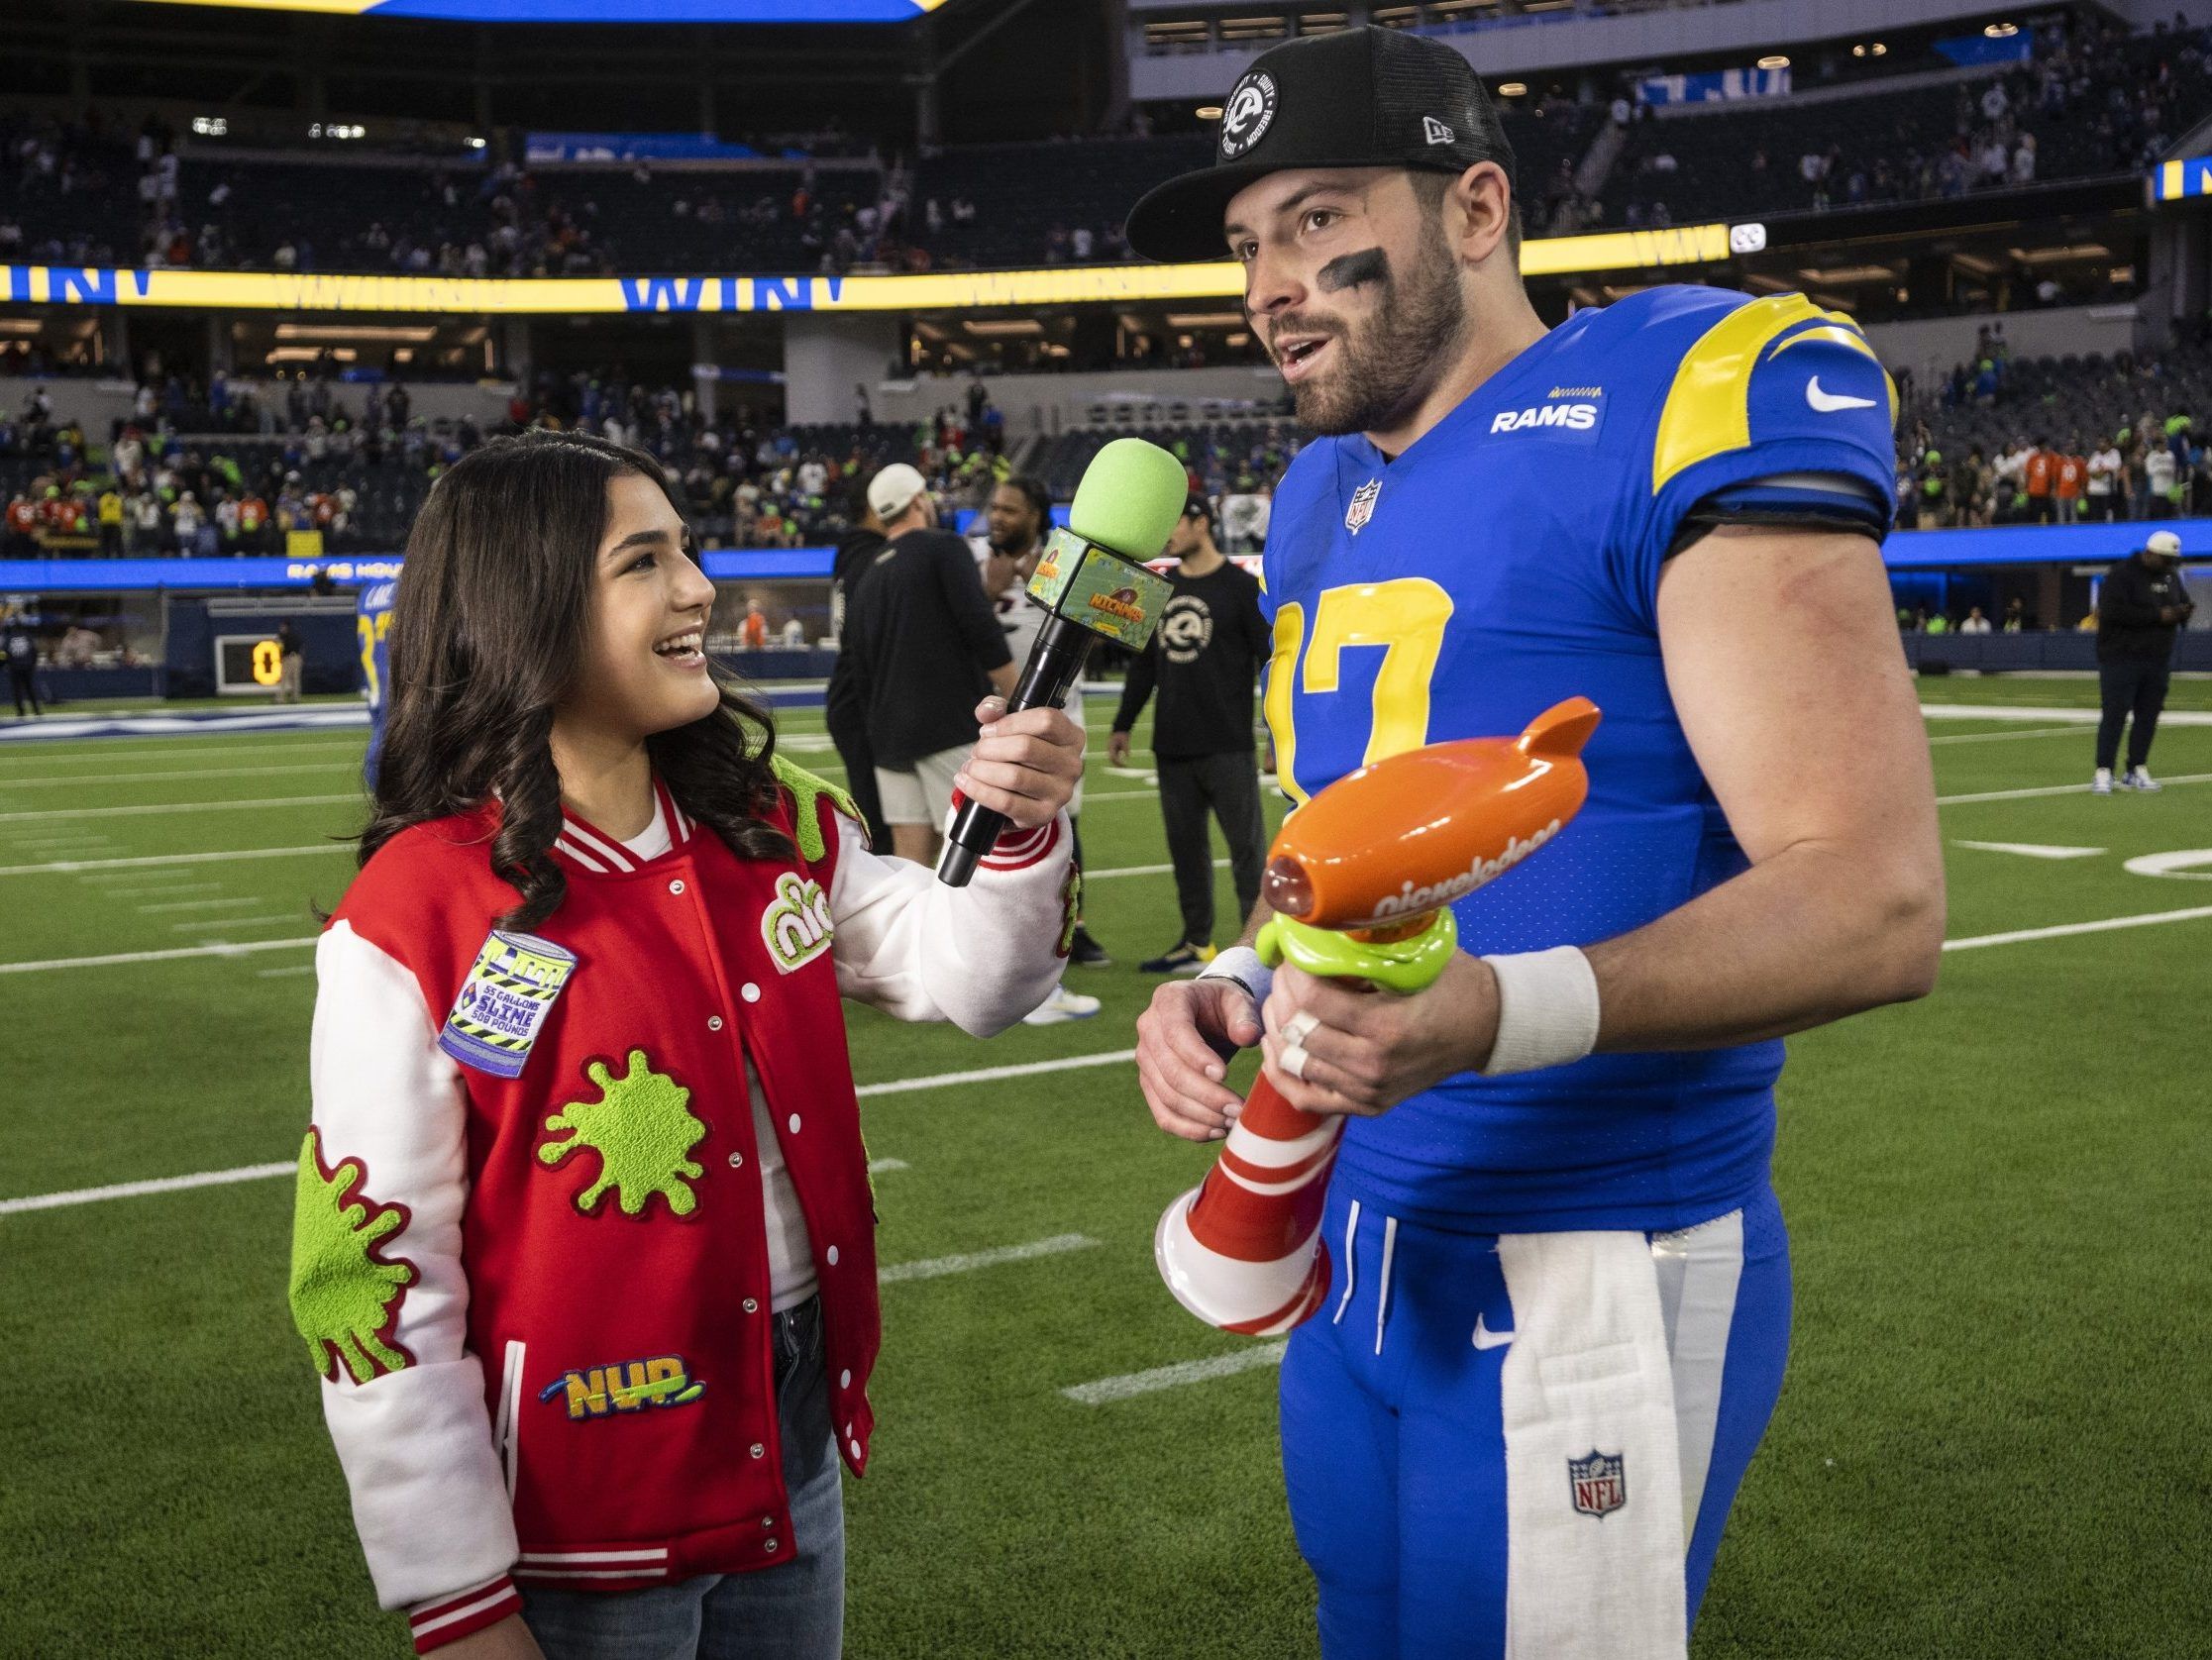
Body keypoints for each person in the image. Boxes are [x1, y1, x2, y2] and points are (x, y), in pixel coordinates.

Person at [1122, 28, 1942, 1659]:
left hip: (1589, 1259)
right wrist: (1229, 971)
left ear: (1476, 207)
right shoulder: (1314, 494)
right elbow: (1353, 839)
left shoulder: (1682, 394)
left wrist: (1491, 1016)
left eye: (1311, 221)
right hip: (1353, 1235)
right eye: (1242, 245)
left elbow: (1872, 903)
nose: (1267, 283)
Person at [288, 431, 1083, 1660]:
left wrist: (1025, 826)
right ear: (526, 606)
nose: (699, 586)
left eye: (689, 549)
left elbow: (972, 976)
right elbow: (374, 1271)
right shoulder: (414, 911)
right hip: (572, 1502)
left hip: (791, 1438)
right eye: (643, 560)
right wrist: (456, 1594)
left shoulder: (769, 820)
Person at [1108, 495, 1272, 974]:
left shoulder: (1242, 589)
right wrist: (1122, 724)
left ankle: (1255, 951)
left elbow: (1269, 665)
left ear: (1202, 523)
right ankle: (1196, 942)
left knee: (1248, 854)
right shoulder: (1159, 589)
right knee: (1186, 851)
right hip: (1173, 743)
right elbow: (1144, 667)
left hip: (1228, 743)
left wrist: (1273, 736)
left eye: (1176, 521)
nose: (1168, 532)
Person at [839, 462, 1016, 866]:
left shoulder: (868, 575)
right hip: (948, 726)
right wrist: (1021, 695)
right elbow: (981, 628)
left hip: (888, 738)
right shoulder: (944, 547)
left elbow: (860, 668)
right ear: (918, 500)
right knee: (977, 854)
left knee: (910, 860)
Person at [973, 473, 1111, 970]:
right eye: (995, 508)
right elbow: (959, 629)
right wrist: (986, 593)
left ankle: (1073, 928)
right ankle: (995, 932)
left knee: (1064, 820)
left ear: (1035, 514)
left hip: (1057, 712)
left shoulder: (1064, 556)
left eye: (1009, 510)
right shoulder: (972, 557)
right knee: (987, 819)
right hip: (987, 713)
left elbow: (1099, 633)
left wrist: (1043, 587)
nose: (998, 517)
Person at [2093, 527, 2194, 793]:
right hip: (2121, 656)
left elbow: (2180, 603)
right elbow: (2113, 612)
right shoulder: (2122, 576)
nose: (2169, 566)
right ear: (2150, 554)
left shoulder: (2171, 576)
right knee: (2114, 715)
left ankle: (2136, 767)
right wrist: (2158, 616)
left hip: (2157, 658)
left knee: (2148, 716)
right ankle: (2104, 770)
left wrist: (2182, 612)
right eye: (2165, 559)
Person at [825, 484, 891, 851]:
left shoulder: (852, 550)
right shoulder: (870, 555)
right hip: (859, 698)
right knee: (881, 820)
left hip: (850, 694)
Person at [3, 606, 39, 719]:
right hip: (26, 666)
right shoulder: (27, 636)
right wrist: (32, 664)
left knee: (17, 691)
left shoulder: (9, 638)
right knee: (29, 689)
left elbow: (4, 653)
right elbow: (34, 651)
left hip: (15, 667)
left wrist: (5, 664)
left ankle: (21, 711)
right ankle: (36, 710)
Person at [276, 618, 304, 704]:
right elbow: (302, 646)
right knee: (295, 679)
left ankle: (280, 699)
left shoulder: (283, 636)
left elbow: (280, 647)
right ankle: (295, 698)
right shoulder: (296, 634)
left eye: (282, 626)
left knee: (285, 678)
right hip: (297, 657)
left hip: (289, 657)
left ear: (285, 626)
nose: (281, 628)